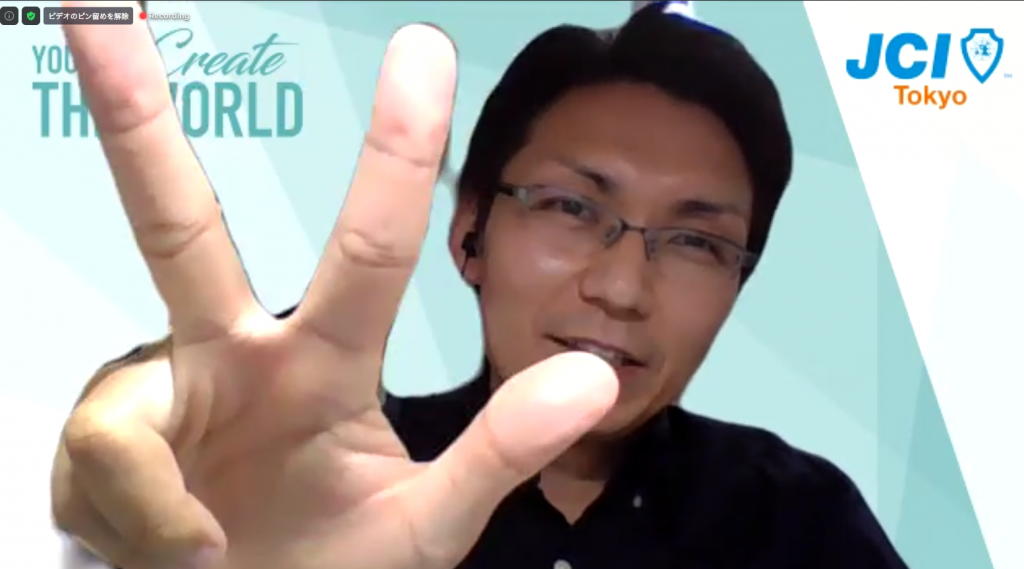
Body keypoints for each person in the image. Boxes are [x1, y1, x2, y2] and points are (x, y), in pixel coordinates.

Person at [51, 2, 910, 569]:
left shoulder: (800, 521)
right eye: (572, 206)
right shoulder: (310, 471)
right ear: (471, 234)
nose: (623, 287)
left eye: (696, 241)